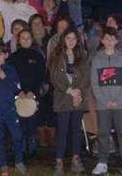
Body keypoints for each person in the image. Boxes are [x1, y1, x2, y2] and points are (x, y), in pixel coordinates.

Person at [90, 27, 122, 176]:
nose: (109, 42)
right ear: (102, 40)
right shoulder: (97, 59)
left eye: (112, 39)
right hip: (103, 105)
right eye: (106, 38)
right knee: (103, 133)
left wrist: (118, 100)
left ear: (116, 41)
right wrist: (104, 100)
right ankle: (102, 162)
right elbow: (95, 84)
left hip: (120, 104)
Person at [49, 27, 89, 175]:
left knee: (76, 130)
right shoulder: (57, 55)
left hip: (78, 98)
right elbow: (54, 77)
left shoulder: (83, 55)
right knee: (62, 130)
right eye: (68, 38)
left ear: (77, 40)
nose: (71, 41)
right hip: (62, 98)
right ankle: (58, 162)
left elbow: (86, 75)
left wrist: (77, 92)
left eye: (74, 38)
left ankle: (75, 160)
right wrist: (69, 90)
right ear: (63, 39)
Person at [0, 43, 28, 176]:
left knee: (18, 136)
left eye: (0, 54)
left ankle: (19, 161)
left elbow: (17, 89)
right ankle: (3, 166)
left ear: (6, 55)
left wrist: (6, 78)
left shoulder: (11, 70)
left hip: (10, 110)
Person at [10, 29, 46, 158]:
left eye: (28, 38)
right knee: (19, 123)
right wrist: (18, 91)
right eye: (23, 38)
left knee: (32, 123)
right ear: (19, 40)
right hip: (18, 95)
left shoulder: (38, 56)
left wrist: (32, 91)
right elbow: (10, 77)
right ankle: (20, 148)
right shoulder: (13, 57)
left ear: (32, 39)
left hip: (33, 95)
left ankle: (32, 149)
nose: (25, 40)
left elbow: (41, 76)